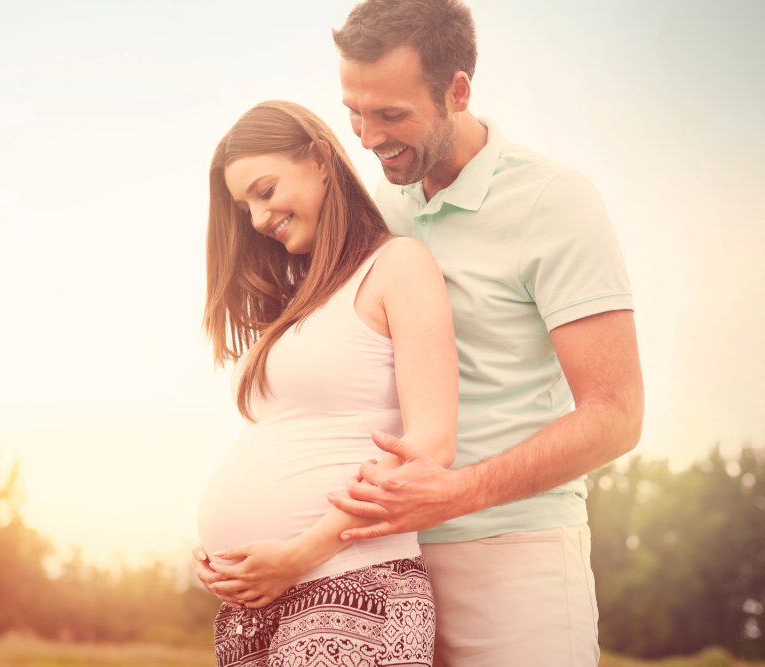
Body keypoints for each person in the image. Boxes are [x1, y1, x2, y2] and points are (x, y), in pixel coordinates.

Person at [319, 0, 644, 665]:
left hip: (517, 563)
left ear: (458, 91)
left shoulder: (553, 203)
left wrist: (457, 493)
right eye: (355, 110)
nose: (366, 136)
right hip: (386, 564)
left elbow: (617, 414)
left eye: (391, 115)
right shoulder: (375, 210)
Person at [197, 99, 458, 666]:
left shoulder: (398, 266)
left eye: (264, 192)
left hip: (354, 586)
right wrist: (227, 555)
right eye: (245, 208)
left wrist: (298, 553)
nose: (258, 219)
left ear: (319, 159)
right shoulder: (299, 303)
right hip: (263, 604)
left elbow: (431, 445)